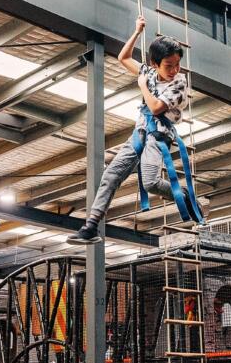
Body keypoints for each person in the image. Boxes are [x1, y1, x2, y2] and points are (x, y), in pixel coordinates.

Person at [67, 15, 191, 244]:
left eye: (177, 65)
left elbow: (155, 107)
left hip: (159, 135)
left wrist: (143, 84)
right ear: (155, 63)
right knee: (111, 175)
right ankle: (91, 226)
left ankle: (183, 195)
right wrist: (137, 33)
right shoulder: (151, 72)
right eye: (169, 65)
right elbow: (124, 57)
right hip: (140, 133)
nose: (175, 70)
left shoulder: (179, 83)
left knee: (151, 182)